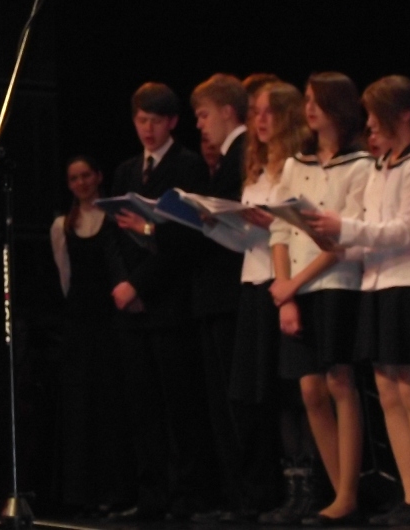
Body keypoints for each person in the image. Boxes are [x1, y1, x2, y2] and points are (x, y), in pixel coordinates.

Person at [307, 75, 410, 526]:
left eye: (376, 114)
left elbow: (407, 231)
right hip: (378, 284)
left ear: (403, 115)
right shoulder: (379, 166)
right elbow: (368, 232)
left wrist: (346, 229)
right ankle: (408, 494)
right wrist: (331, 239)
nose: (369, 124)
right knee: (387, 390)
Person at [267, 72, 373, 526]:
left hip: (337, 284)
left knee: (340, 382)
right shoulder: (296, 164)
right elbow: (279, 230)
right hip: (298, 288)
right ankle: (336, 490)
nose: (308, 108)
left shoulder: (361, 165)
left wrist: (294, 284)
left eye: (316, 100)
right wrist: (285, 291)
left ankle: (348, 494)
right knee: (310, 390)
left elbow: (345, 239)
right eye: (306, 100)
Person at [202, 80, 310, 522]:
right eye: (256, 112)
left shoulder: (296, 168)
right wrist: (211, 224)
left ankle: (303, 488)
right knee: (251, 395)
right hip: (252, 282)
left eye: (268, 112)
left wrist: (270, 224)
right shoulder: (257, 170)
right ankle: (265, 491)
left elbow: (303, 232)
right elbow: (248, 242)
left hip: (284, 284)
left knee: (288, 394)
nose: (259, 120)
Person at [108, 81, 209, 521]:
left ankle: (187, 495)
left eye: (155, 121)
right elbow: (112, 235)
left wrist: (140, 286)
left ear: (172, 122)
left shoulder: (188, 166)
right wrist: (121, 284)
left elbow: (186, 239)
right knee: (141, 405)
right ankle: (151, 495)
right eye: (141, 120)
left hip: (169, 302)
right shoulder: (127, 169)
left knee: (179, 404)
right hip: (129, 306)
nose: (147, 129)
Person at [49, 156, 134, 516]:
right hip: (80, 322)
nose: (81, 183)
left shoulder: (114, 218)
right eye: (74, 178)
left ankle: (117, 490)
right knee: (81, 405)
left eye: (86, 175)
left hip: (110, 319)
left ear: (98, 177)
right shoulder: (62, 226)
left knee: (111, 402)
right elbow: (64, 276)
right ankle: (82, 492)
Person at [188, 73, 253, 522]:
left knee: (236, 398)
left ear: (228, 111)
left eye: (204, 114)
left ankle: (246, 495)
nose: (200, 124)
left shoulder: (243, 152)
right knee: (222, 400)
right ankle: (236, 494)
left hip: (231, 289)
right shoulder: (229, 157)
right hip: (217, 291)